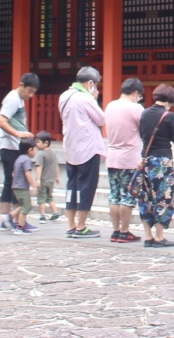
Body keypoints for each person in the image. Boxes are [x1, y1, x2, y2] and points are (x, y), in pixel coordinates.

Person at [58, 66, 105, 239]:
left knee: (72, 185)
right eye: (96, 84)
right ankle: (81, 225)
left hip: (70, 147)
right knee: (87, 186)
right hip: (88, 148)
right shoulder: (86, 98)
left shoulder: (64, 96)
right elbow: (101, 119)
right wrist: (95, 99)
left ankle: (71, 224)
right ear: (90, 82)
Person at [133, 84, 174, 249]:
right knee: (163, 197)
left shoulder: (144, 113)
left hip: (146, 160)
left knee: (145, 198)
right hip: (163, 162)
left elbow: (142, 135)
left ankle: (148, 237)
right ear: (170, 99)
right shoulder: (169, 116)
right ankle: (160, 237)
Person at [0, 73, 40, 231]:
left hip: (14, 146)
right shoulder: (13, 99)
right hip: (9, 146)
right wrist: (18, 134)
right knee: (13, 182)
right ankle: (9, 219)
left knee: (14, 183)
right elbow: (1, 121)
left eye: (33, 92)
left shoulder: (19, 99)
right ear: (21, 85)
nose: (31, 95)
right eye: (29, 91)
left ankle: (15, 219)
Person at [105, 78, 145, 243]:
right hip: (129, 158)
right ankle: (124, 231)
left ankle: (115, 231)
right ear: (135, 93)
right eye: (139, 96)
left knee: (114, 195)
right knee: (127, 196)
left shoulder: (109, 106)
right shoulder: (136, 108)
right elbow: (144, 129)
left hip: (112, 156)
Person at [10, 137, 39, 235]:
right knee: (26, 207)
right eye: (35, 149)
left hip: (16, 186)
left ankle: (12, 215)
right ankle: (20, 227)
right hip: (22, 187)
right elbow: (28, 173)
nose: (35, 152)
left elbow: (13, 174)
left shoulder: (19, 159)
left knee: (23, 205)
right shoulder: (27, 160)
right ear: (30, 150)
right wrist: (33, 186)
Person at [34, 132, 60, 222]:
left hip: (43, 180)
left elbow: (39, 167)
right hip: (51, 180)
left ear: (46, 143)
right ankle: (55, 213)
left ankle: (42, 216)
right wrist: (57, 176)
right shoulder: (52, 153)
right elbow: (56, 165)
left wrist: (37, 179)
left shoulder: (40, 154)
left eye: (38, 142)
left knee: (41, 198)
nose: (36, 144)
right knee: (50, 197)